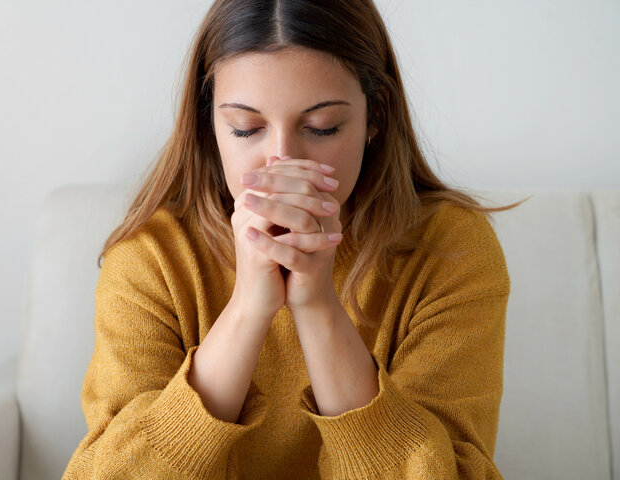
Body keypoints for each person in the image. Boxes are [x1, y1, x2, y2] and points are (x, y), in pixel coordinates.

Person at [62, 1, 528, 478]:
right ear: (210, 126)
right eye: (247, 128)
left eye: (321, 127)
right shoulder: (151, 260)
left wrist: (319, 306)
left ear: (375, 117)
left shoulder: (452, 249)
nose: (281, 162)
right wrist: (247, 309)